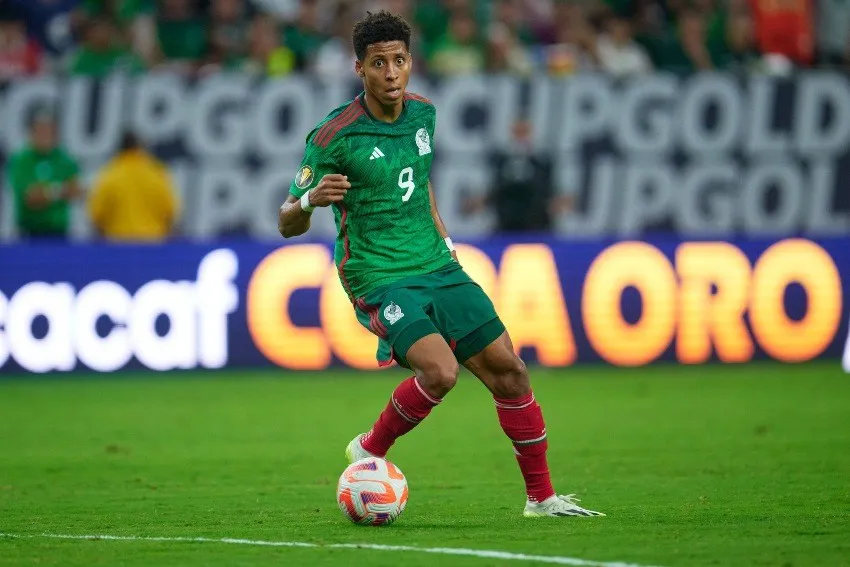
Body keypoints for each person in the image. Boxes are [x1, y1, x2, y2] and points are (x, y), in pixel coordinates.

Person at [278, 10, 603, 518]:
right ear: (359, 67)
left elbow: (420, 181)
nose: (391, 73)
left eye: (400, 61)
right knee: (441, 371)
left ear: (411, 63)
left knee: (512, 373)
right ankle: (370, 448)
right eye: (379, 63)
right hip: (379, 276)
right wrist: (311, 200)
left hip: (437, 264)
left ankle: (541, 499)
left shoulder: (424, 114)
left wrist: (447, 244)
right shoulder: (334, 136)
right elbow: (285, 222)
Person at [88, 132, 179, 242]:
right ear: (140, 149)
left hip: (117, 246)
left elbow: (97, 216)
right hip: (152, 245)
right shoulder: (156, 173)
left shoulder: (110, 174)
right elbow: (171, 213)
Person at [6, 112, 82, 240]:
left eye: (50, 132)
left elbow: (76, 191)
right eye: (41, 131)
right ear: (32, 133)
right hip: (30, 232)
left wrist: (46, 192)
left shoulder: (64, 159)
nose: (45, 136)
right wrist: (60, 190)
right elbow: (31, 197)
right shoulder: (21, 160)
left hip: (60, 232)